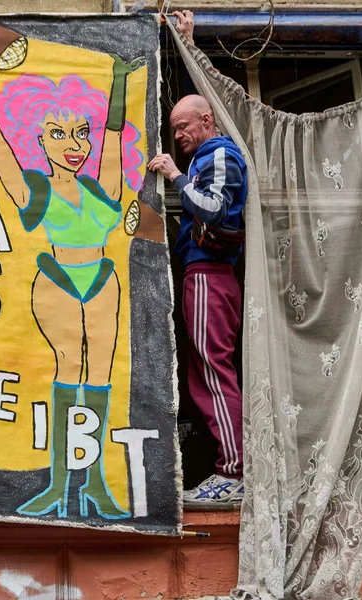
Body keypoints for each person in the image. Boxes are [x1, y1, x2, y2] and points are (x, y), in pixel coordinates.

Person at [0, 51, 145, 519]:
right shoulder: (35, 189)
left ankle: (95, 483)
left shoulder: (101, 187)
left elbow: (114, 135)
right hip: (57, 280)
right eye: (58, 134)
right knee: (66, 371)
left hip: (102, 280)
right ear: (39, 140)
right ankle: (60, 485)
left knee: (99, 376)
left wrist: (119, 81)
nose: (73, 144)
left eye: (80, 133)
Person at [147, 10, 249, 502]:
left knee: (212, 368)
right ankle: (230, 467)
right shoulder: (209, 154)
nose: (178, 136)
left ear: (206, 122)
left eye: (183, 127)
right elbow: (202, 102)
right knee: (201, 371)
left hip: (210, 272)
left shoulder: (220, 153)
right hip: (202, 273)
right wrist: (187, 45)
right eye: (173, 129)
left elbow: (215, 210)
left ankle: (235, 471)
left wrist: (174, 176)